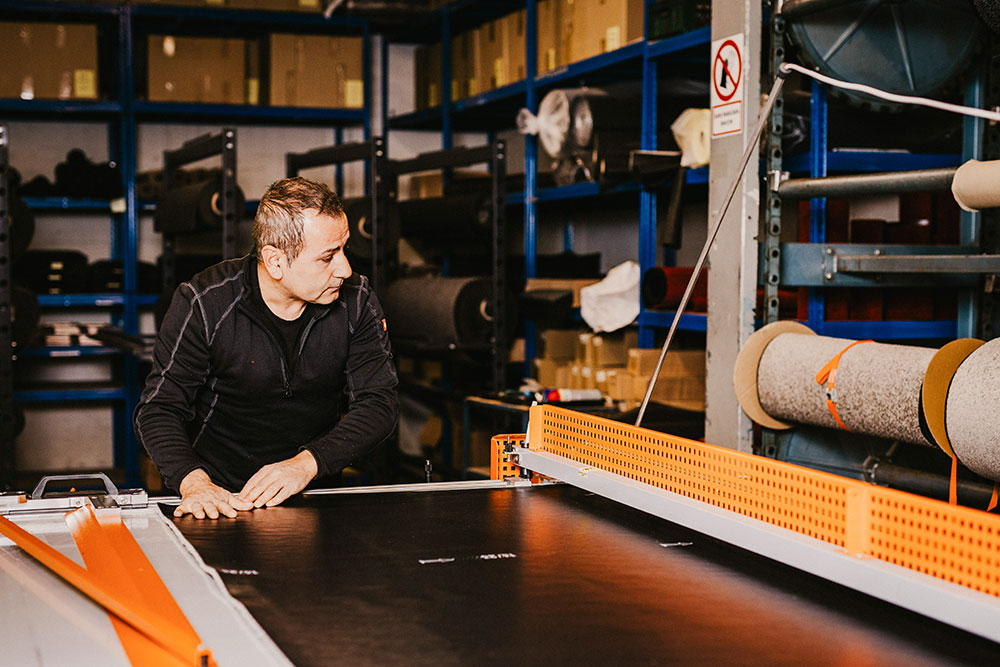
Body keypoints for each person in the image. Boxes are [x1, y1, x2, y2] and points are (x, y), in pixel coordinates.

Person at [135, 177, 398, 519]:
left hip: (314, 492)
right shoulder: (204, 303)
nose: (345, 269)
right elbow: (158, 409)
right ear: (275, 261)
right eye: (327, 257)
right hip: (218, 500)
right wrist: (193, 482)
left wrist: (307, 464)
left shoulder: (356, 301)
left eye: (344, 249)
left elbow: (379, 403)